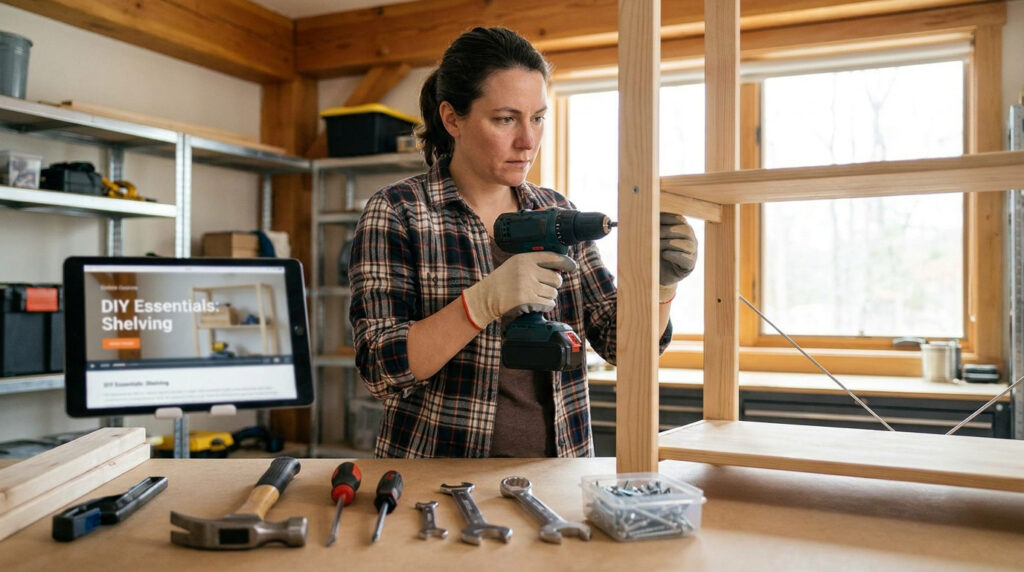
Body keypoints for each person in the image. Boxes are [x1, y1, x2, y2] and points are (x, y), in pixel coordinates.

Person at [348, 26, 697, 458]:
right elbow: (381, 369)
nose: (528, 141)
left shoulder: (556, 213)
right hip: (436, 480)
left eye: (538, 118)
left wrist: (660, 287)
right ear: (452, 118)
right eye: (505, 119)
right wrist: (481, 303)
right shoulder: (399, 211)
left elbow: (619, 343)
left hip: (561, 473)